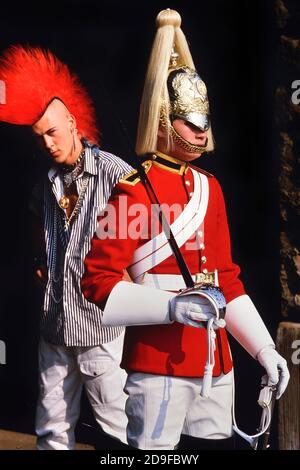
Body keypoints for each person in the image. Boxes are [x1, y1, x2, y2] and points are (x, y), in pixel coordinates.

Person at [81, 9, 290, 450]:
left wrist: (263, 349)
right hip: (158, 364)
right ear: (162, 119)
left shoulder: (210, 188)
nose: (201, 133)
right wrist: (172, 308)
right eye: (190, 123)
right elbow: (98, 283)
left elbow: (226, 281)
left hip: (216, 365)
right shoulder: (134, 192)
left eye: (203, 122)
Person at [0, 45, 132, 450]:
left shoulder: (115, 174)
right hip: (54, 325)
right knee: (52, 430)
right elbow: (39, 236)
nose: (48, 144)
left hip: (99, 325)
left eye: (53, 132)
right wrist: (43, 263)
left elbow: (146, 239)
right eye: (40, 137)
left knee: (119, 428)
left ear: (73, 123)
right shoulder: (44, 185)